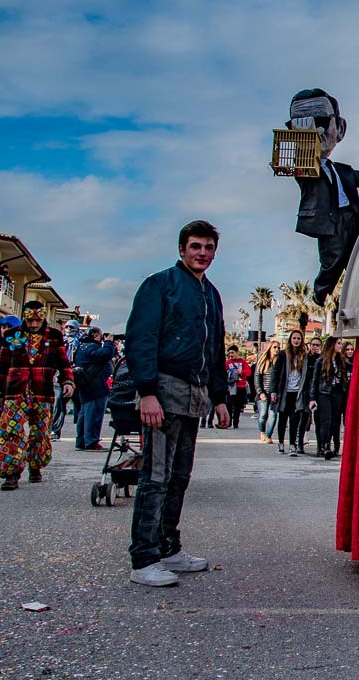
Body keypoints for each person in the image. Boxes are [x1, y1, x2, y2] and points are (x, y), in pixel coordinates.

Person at [125, 220, 229, 586]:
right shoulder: (159, 285)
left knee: (179, 477)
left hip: (195, 396)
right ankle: (144, 559)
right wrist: (147, 391)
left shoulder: (212, 294)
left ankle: (169, 547)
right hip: (163, 392)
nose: (202, 253)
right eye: (196, 246)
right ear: (182, 249)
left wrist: (220, 399)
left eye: (209, 247)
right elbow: (140, 339)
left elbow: (215, 350)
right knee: (155, 477)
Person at [286, 89, 359, 307]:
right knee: (332, 260)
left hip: (351, 218)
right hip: (329, 222)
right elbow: (302, 167)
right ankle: (320, 294)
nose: (316, 129)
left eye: (320, 121)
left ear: (340, 128)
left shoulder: (342, 169)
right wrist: (305, 141)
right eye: (303, 123)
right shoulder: (307, 170)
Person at [0, 301, 74, 490]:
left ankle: (35, 466)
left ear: (43, 318)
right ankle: (12, 474)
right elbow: (1, 367)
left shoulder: (55, 336)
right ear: (24, 317)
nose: (33, 324)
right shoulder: (11, 335)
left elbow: (64, 363)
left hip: (42, 391)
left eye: (37, 320)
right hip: (15, 392)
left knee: (40, 433)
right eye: (30, 320)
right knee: (11, 432)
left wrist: (68, 381)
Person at [72, 326, 115, 451]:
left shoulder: (81, 346)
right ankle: (91, 441)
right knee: (94, 414)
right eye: (101, 336)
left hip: (86, 384)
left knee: (84, 413)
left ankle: (81, 441)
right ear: (95, 335)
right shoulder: (91, 347)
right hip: (95, 386)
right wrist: (108, 343)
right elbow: (105, 354)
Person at [269, 330, 312, 456]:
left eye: (298, 338)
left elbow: (308, 376)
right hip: (284, 392)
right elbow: (275, 374)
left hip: (297, 393)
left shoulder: (304, 356)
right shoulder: (283, 355)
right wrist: (273, 391)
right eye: (294, 338)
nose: (296, 341)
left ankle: (292, 445)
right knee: (282, 418)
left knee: (294, 419)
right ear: (290, 340)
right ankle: (281, 443)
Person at [307, 337, 345, 460]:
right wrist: (312, 398)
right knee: (326, 421)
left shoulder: (341, 360)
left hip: (337, 393)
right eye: (338, 343)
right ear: (332, 344)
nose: (341, 345)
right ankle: (325, 446)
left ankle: (330, 446)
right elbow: (315, 380)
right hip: (324, 393)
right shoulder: (321, 361)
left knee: (335, 421)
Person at [255, 341, 280, 444]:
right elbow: (257, 378)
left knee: (273, 415)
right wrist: (260, 392)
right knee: (263, 415)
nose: (277, 349)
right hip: (263, 393)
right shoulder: (262, 361)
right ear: (270, 348)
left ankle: (269, 435)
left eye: (278, 347)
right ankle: (262, 431)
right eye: (274, 347)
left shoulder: (280, 362)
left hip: (275, 393)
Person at [224, 346, 252, 429]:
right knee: (229, 405)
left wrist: (241, 371)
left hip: (240, 386)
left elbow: (249, 372)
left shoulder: (242, 362)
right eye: (229, 353)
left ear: (237, 352)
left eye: (232, 352)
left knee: (238, 406)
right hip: (231, 387)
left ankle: (235, 422)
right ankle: (228, 422)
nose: (231, 354)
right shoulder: (228, 362)